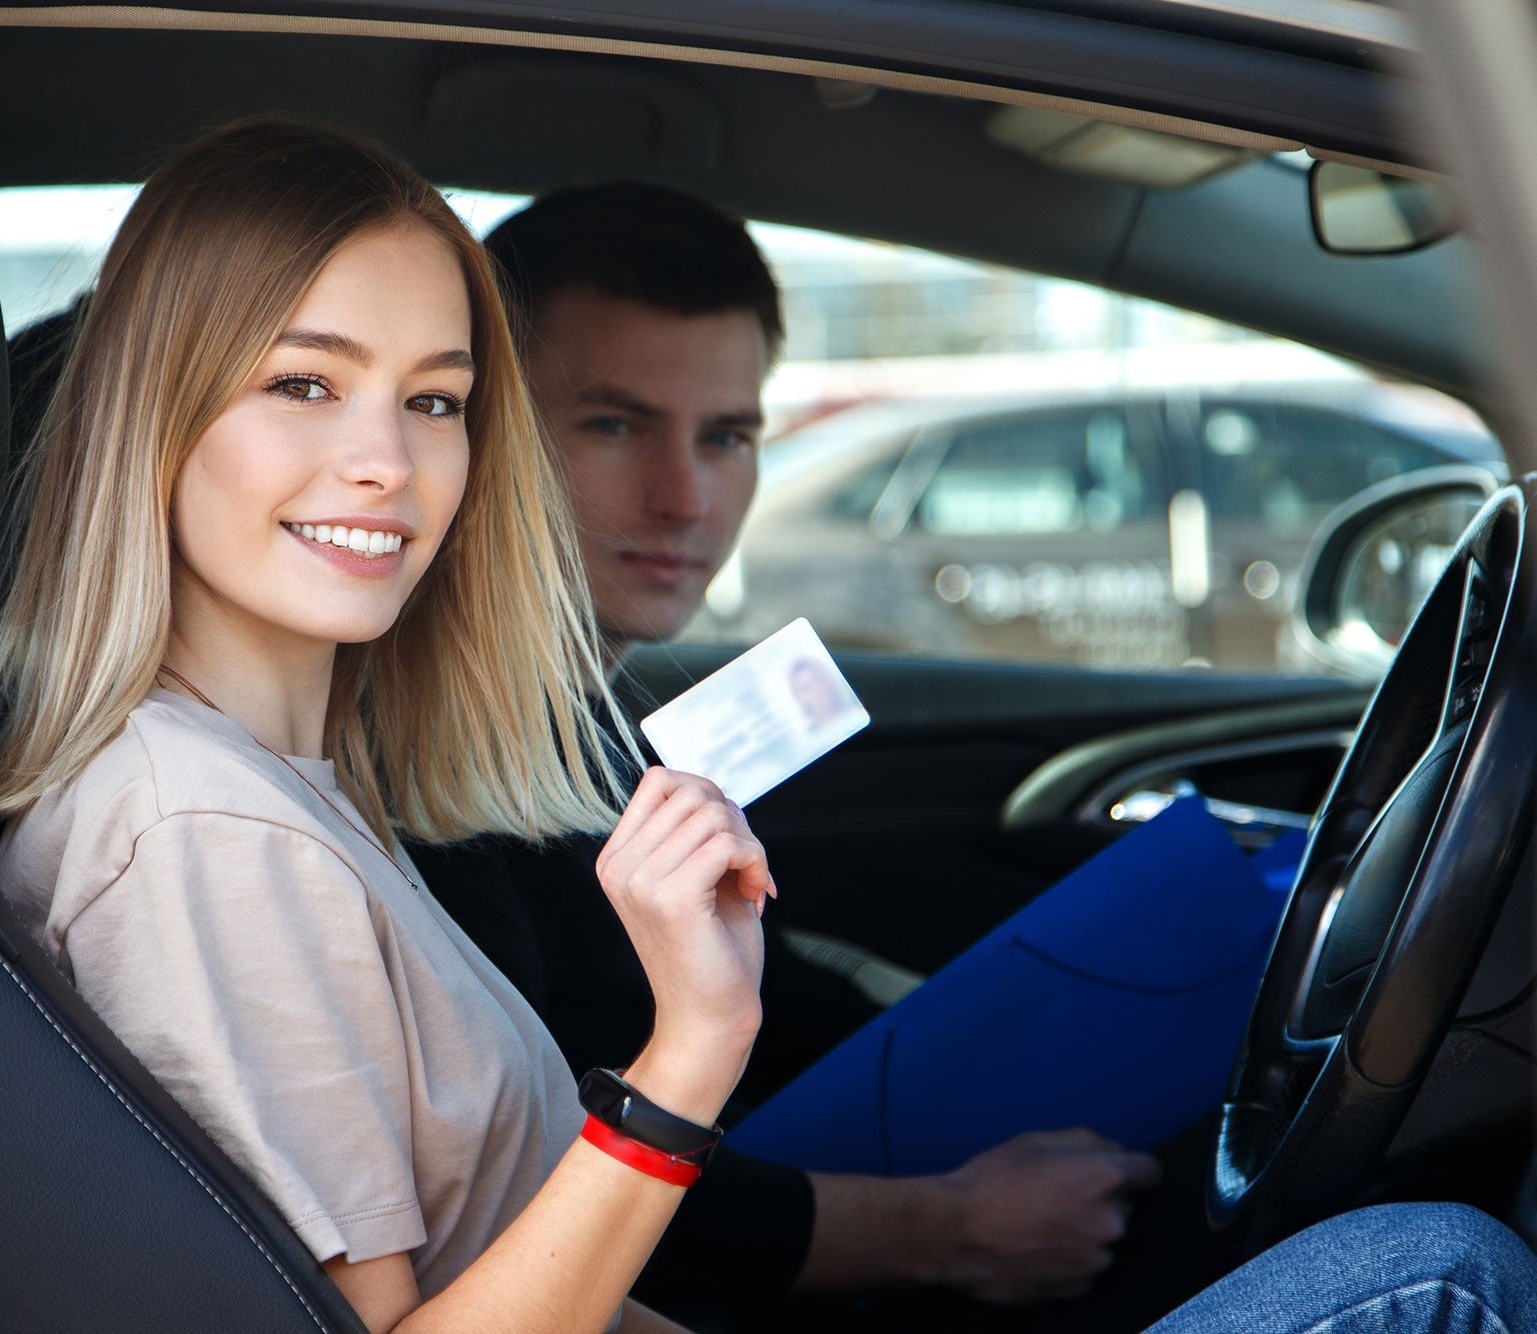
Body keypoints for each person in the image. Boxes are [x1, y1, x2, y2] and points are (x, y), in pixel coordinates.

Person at [0, 120, 1537, 1334]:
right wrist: (688, 1053)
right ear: (156, 410)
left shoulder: (294, 787)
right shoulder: (198, 828)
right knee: (1440, 1269)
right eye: (303, 386)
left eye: (437, 399)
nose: (385, 459)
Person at [409, 182, 1164, 1320]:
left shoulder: (581, 715)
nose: (684, 497)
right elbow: (553, 1196)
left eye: (727, 434)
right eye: (614, 424)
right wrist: (948, 1228)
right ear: (483, 420)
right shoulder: (430, 776)